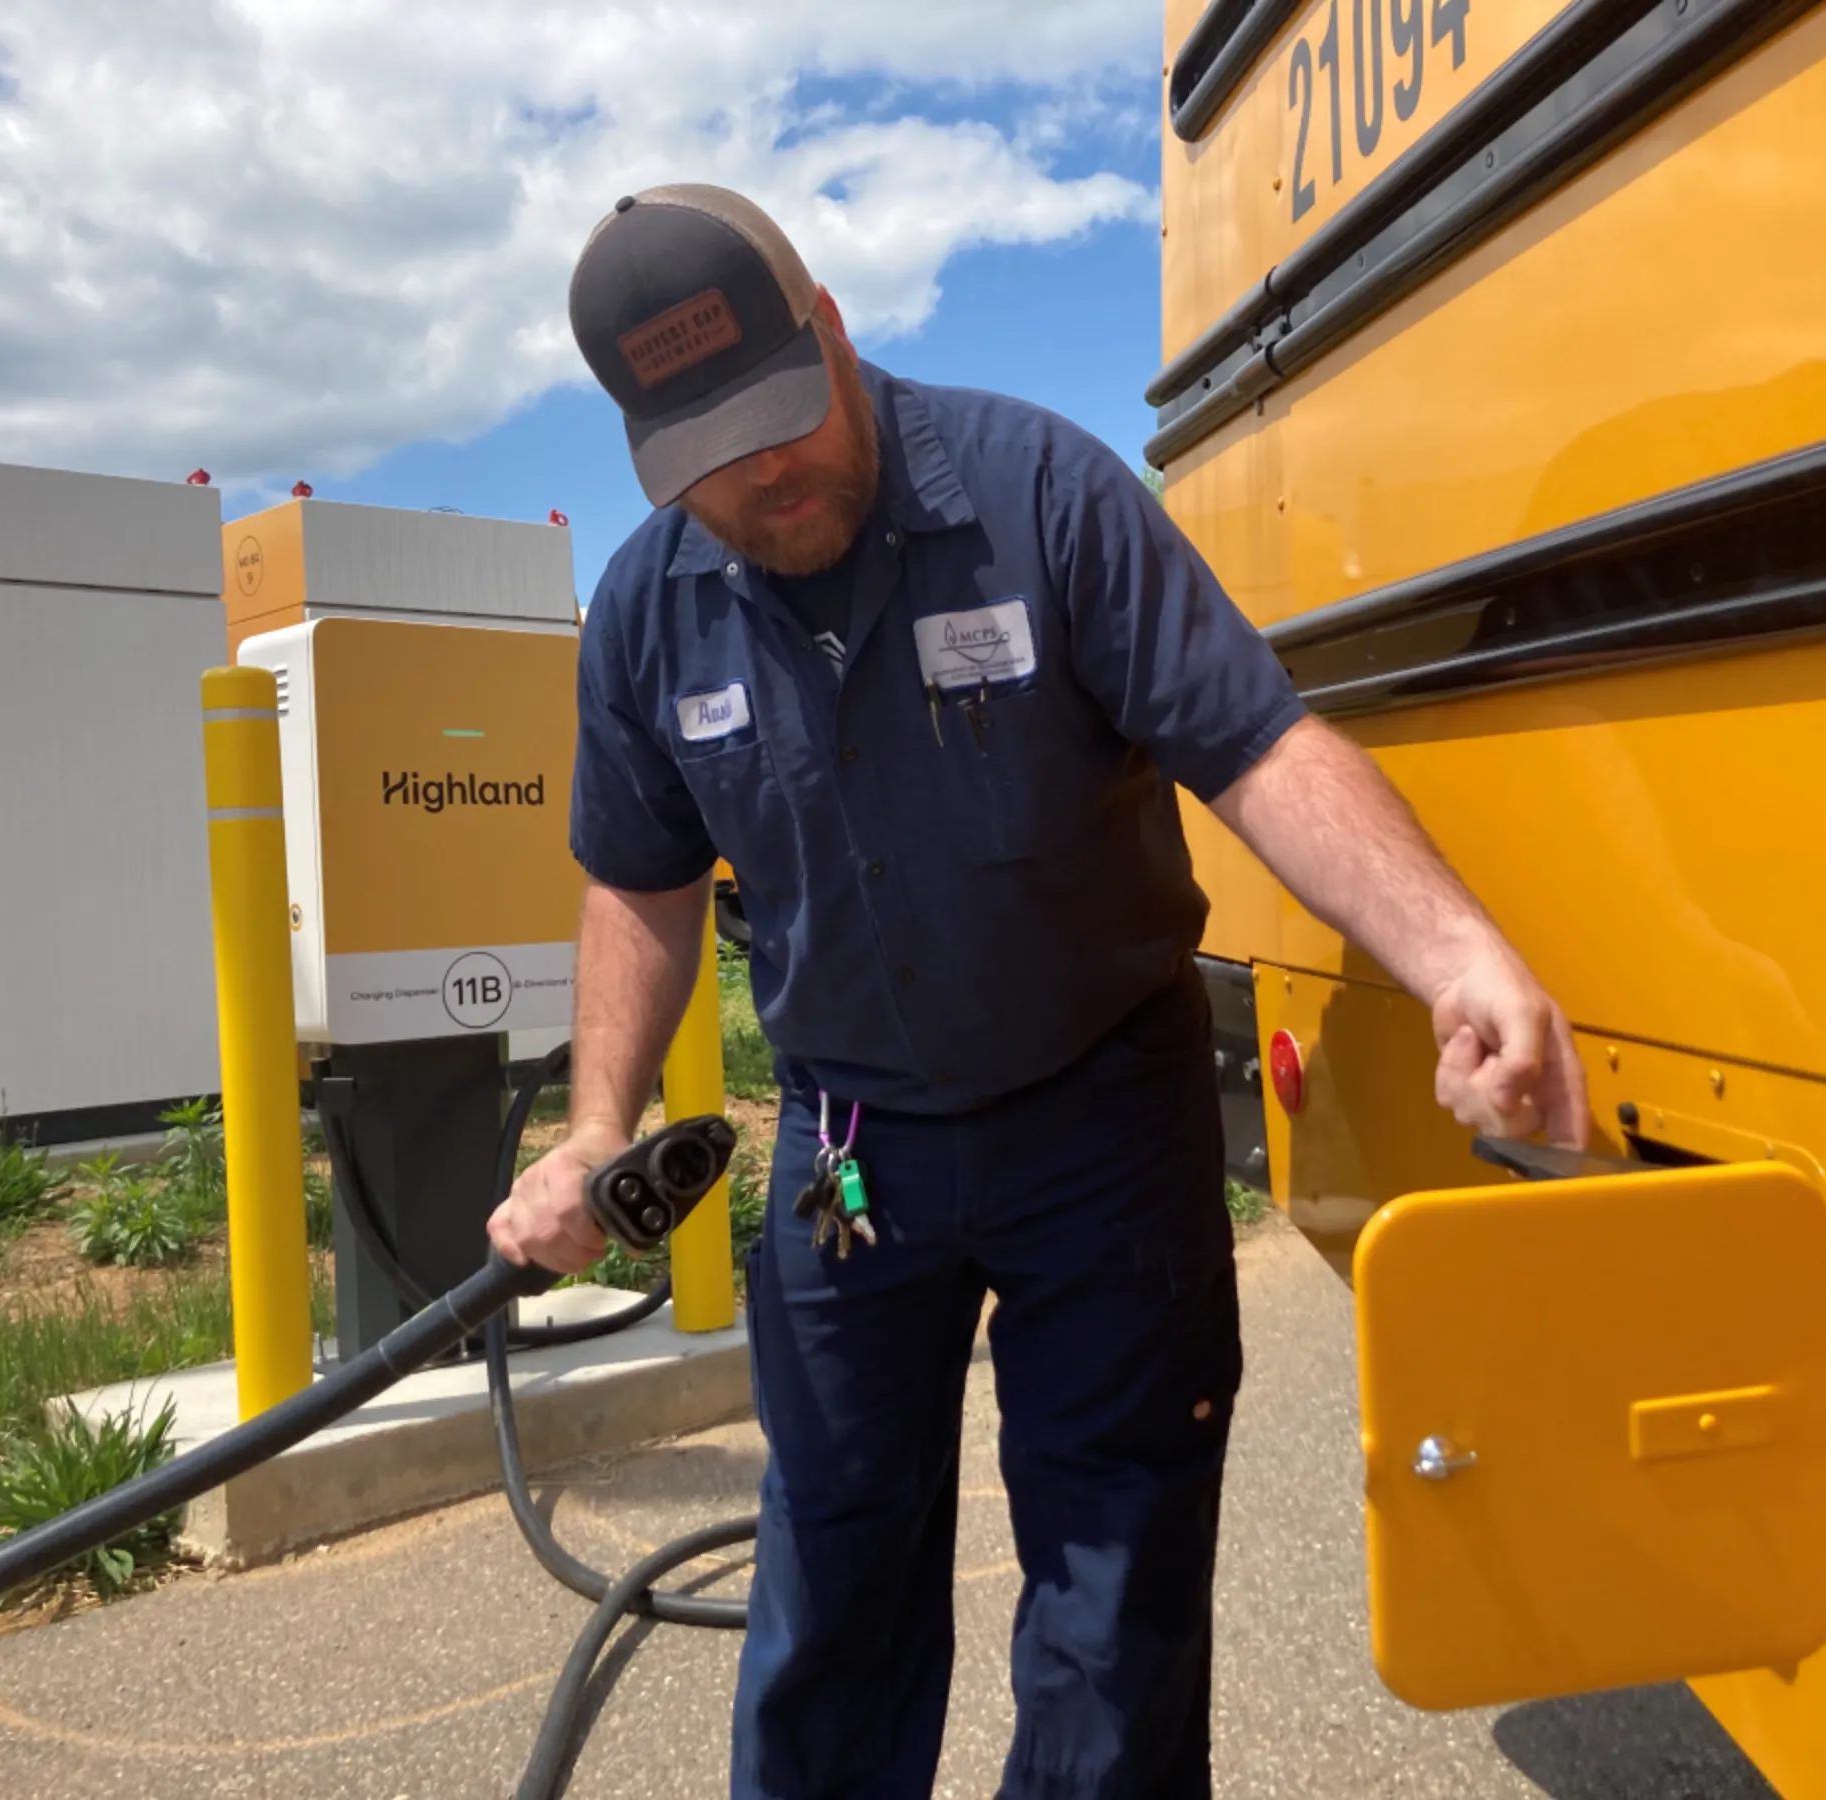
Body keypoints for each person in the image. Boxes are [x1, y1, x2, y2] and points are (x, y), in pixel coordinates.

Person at [490, 184, 1590, 1799]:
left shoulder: (1040, 494)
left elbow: (1259, 746)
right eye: (706, 452)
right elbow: (638, 885)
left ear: (833, 332)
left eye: (779, 415)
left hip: (1102, 1119)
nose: (763, 471)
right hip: (850, 1142)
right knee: (832, 1560)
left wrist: (1455, 953)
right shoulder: (652, 612)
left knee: (1111, 1583)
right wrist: (596, 1129)